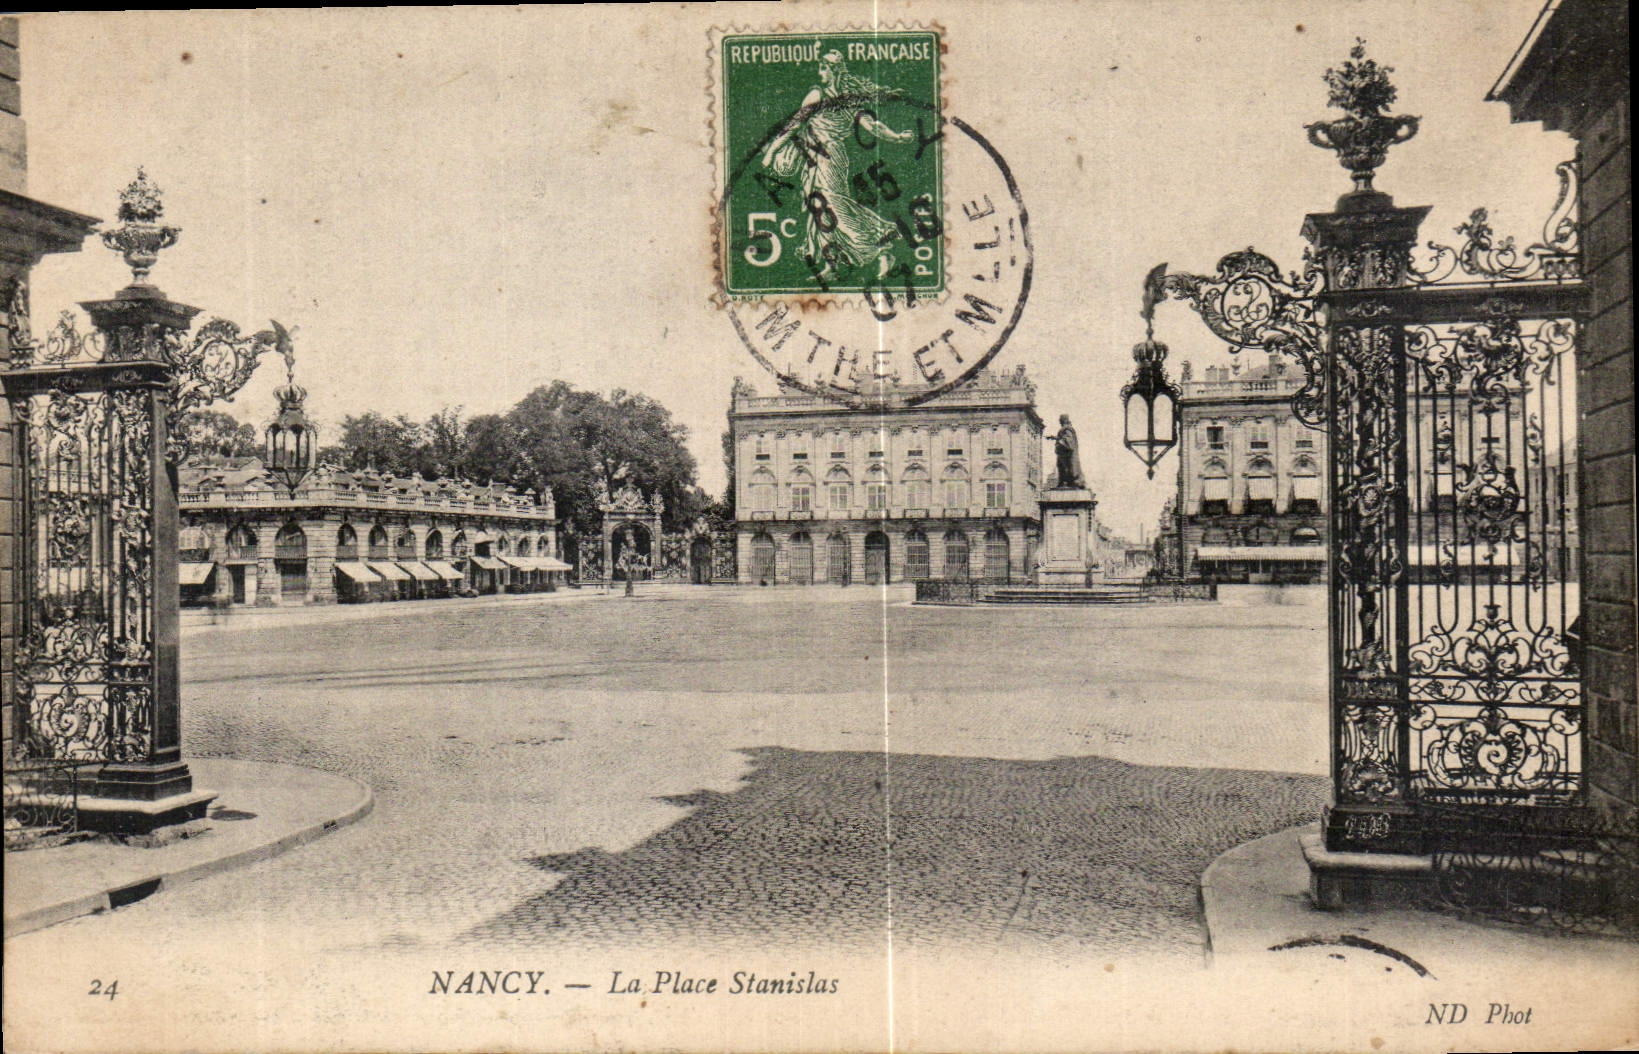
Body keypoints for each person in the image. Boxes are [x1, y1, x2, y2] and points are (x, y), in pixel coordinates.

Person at [761, 51, 916, 281]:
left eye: (823, 68)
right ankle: (832, 264)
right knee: (819, 210)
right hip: (813, 158)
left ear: (833, 71)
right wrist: (773, 151)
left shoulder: (836, 97)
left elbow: (872, 126)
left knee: (834, 207)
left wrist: (898, 138)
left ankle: (883, 249)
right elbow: (795, 125)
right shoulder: (824, 95)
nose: (820, 73)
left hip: (830, 157)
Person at [1050, 414, 1084, 489]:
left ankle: (1067, 483)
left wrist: (1059, 441)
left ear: (1064, 420)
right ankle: (1064, 483)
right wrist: (1055, 438)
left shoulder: (1067, 429)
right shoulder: (1066, 429)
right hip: (1063, 453)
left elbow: (1068, 440)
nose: (1059, 421)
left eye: (1060, 419)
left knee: (1066, 468)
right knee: (1061, 467)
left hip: (1066, 454)